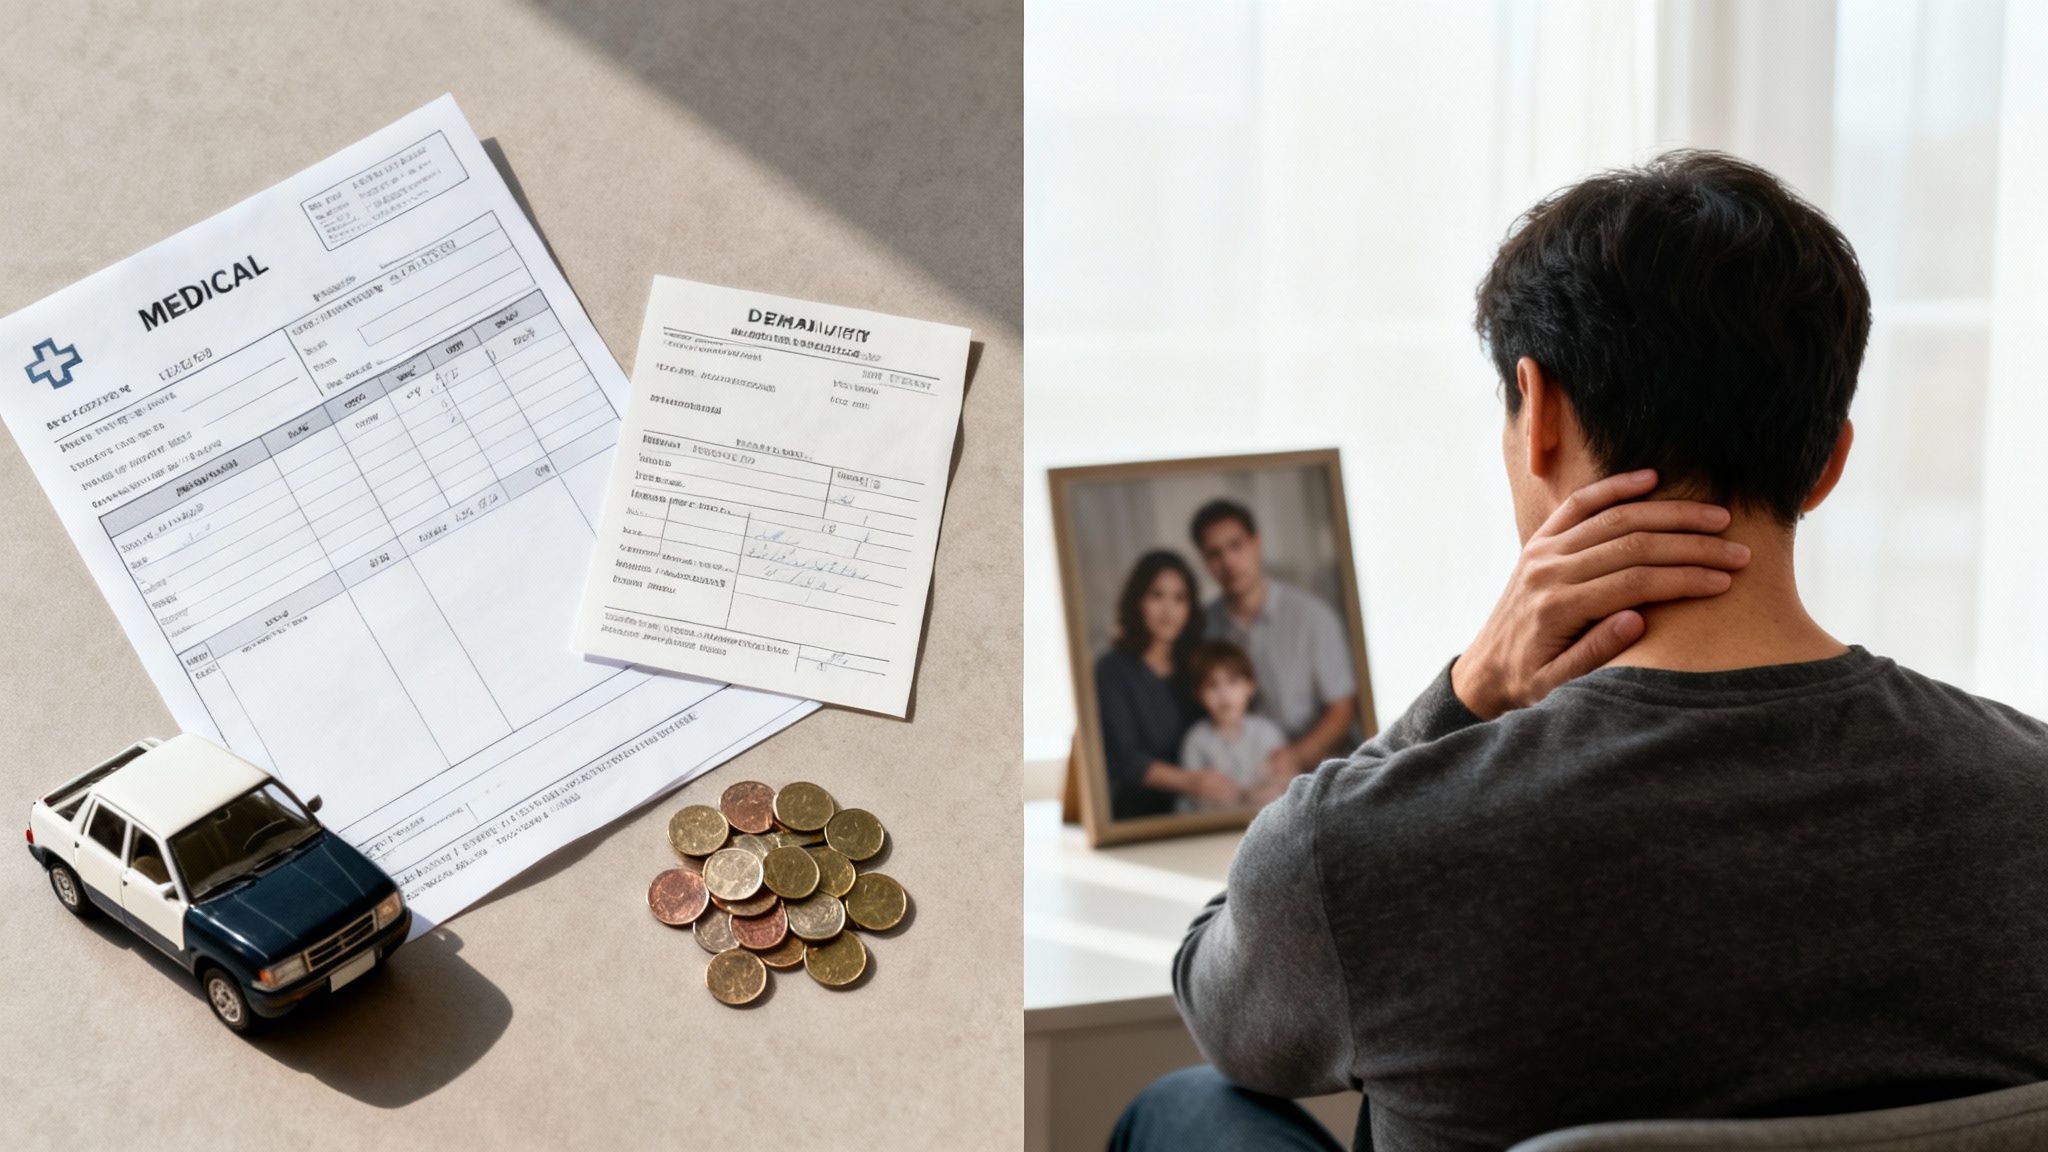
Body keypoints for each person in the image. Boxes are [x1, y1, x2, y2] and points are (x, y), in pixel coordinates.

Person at [1114, 151, 2048, 1152]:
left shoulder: (1367, 847)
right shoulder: (2027, 792)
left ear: (1540, 412)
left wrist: (1465, 693)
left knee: (1184, 1109)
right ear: (1826, 462)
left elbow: (1224, 1007)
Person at [1192, 500, 1357, 790]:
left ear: (1256, 544)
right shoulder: (1200, 628)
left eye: (1236, 546)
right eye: (1215, 554)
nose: (1228, 561)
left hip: (1313, 770)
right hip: (1237, 777)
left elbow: (1342, 709)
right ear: (1204, 561)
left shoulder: (1313, 617)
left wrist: (1295, 756)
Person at [1094, 550, 1243, 819]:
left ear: (1190, 607)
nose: (1169, 610)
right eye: (1156, 596)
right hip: (1140, 815)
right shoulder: (1112, 669)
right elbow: (1124, 759)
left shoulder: (1199, 663)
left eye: (1179, 598)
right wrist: (1191, 783)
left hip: (1207, 810)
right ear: (1138, 601)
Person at [1176, 640, 1289, 811]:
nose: (1224, 694)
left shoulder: (1267, 732)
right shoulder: (1196, 740)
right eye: (1213, 686)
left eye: (1232, 682)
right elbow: (1194, 799)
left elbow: (1282, 786)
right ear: (1199, 694)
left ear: (1250, 686)